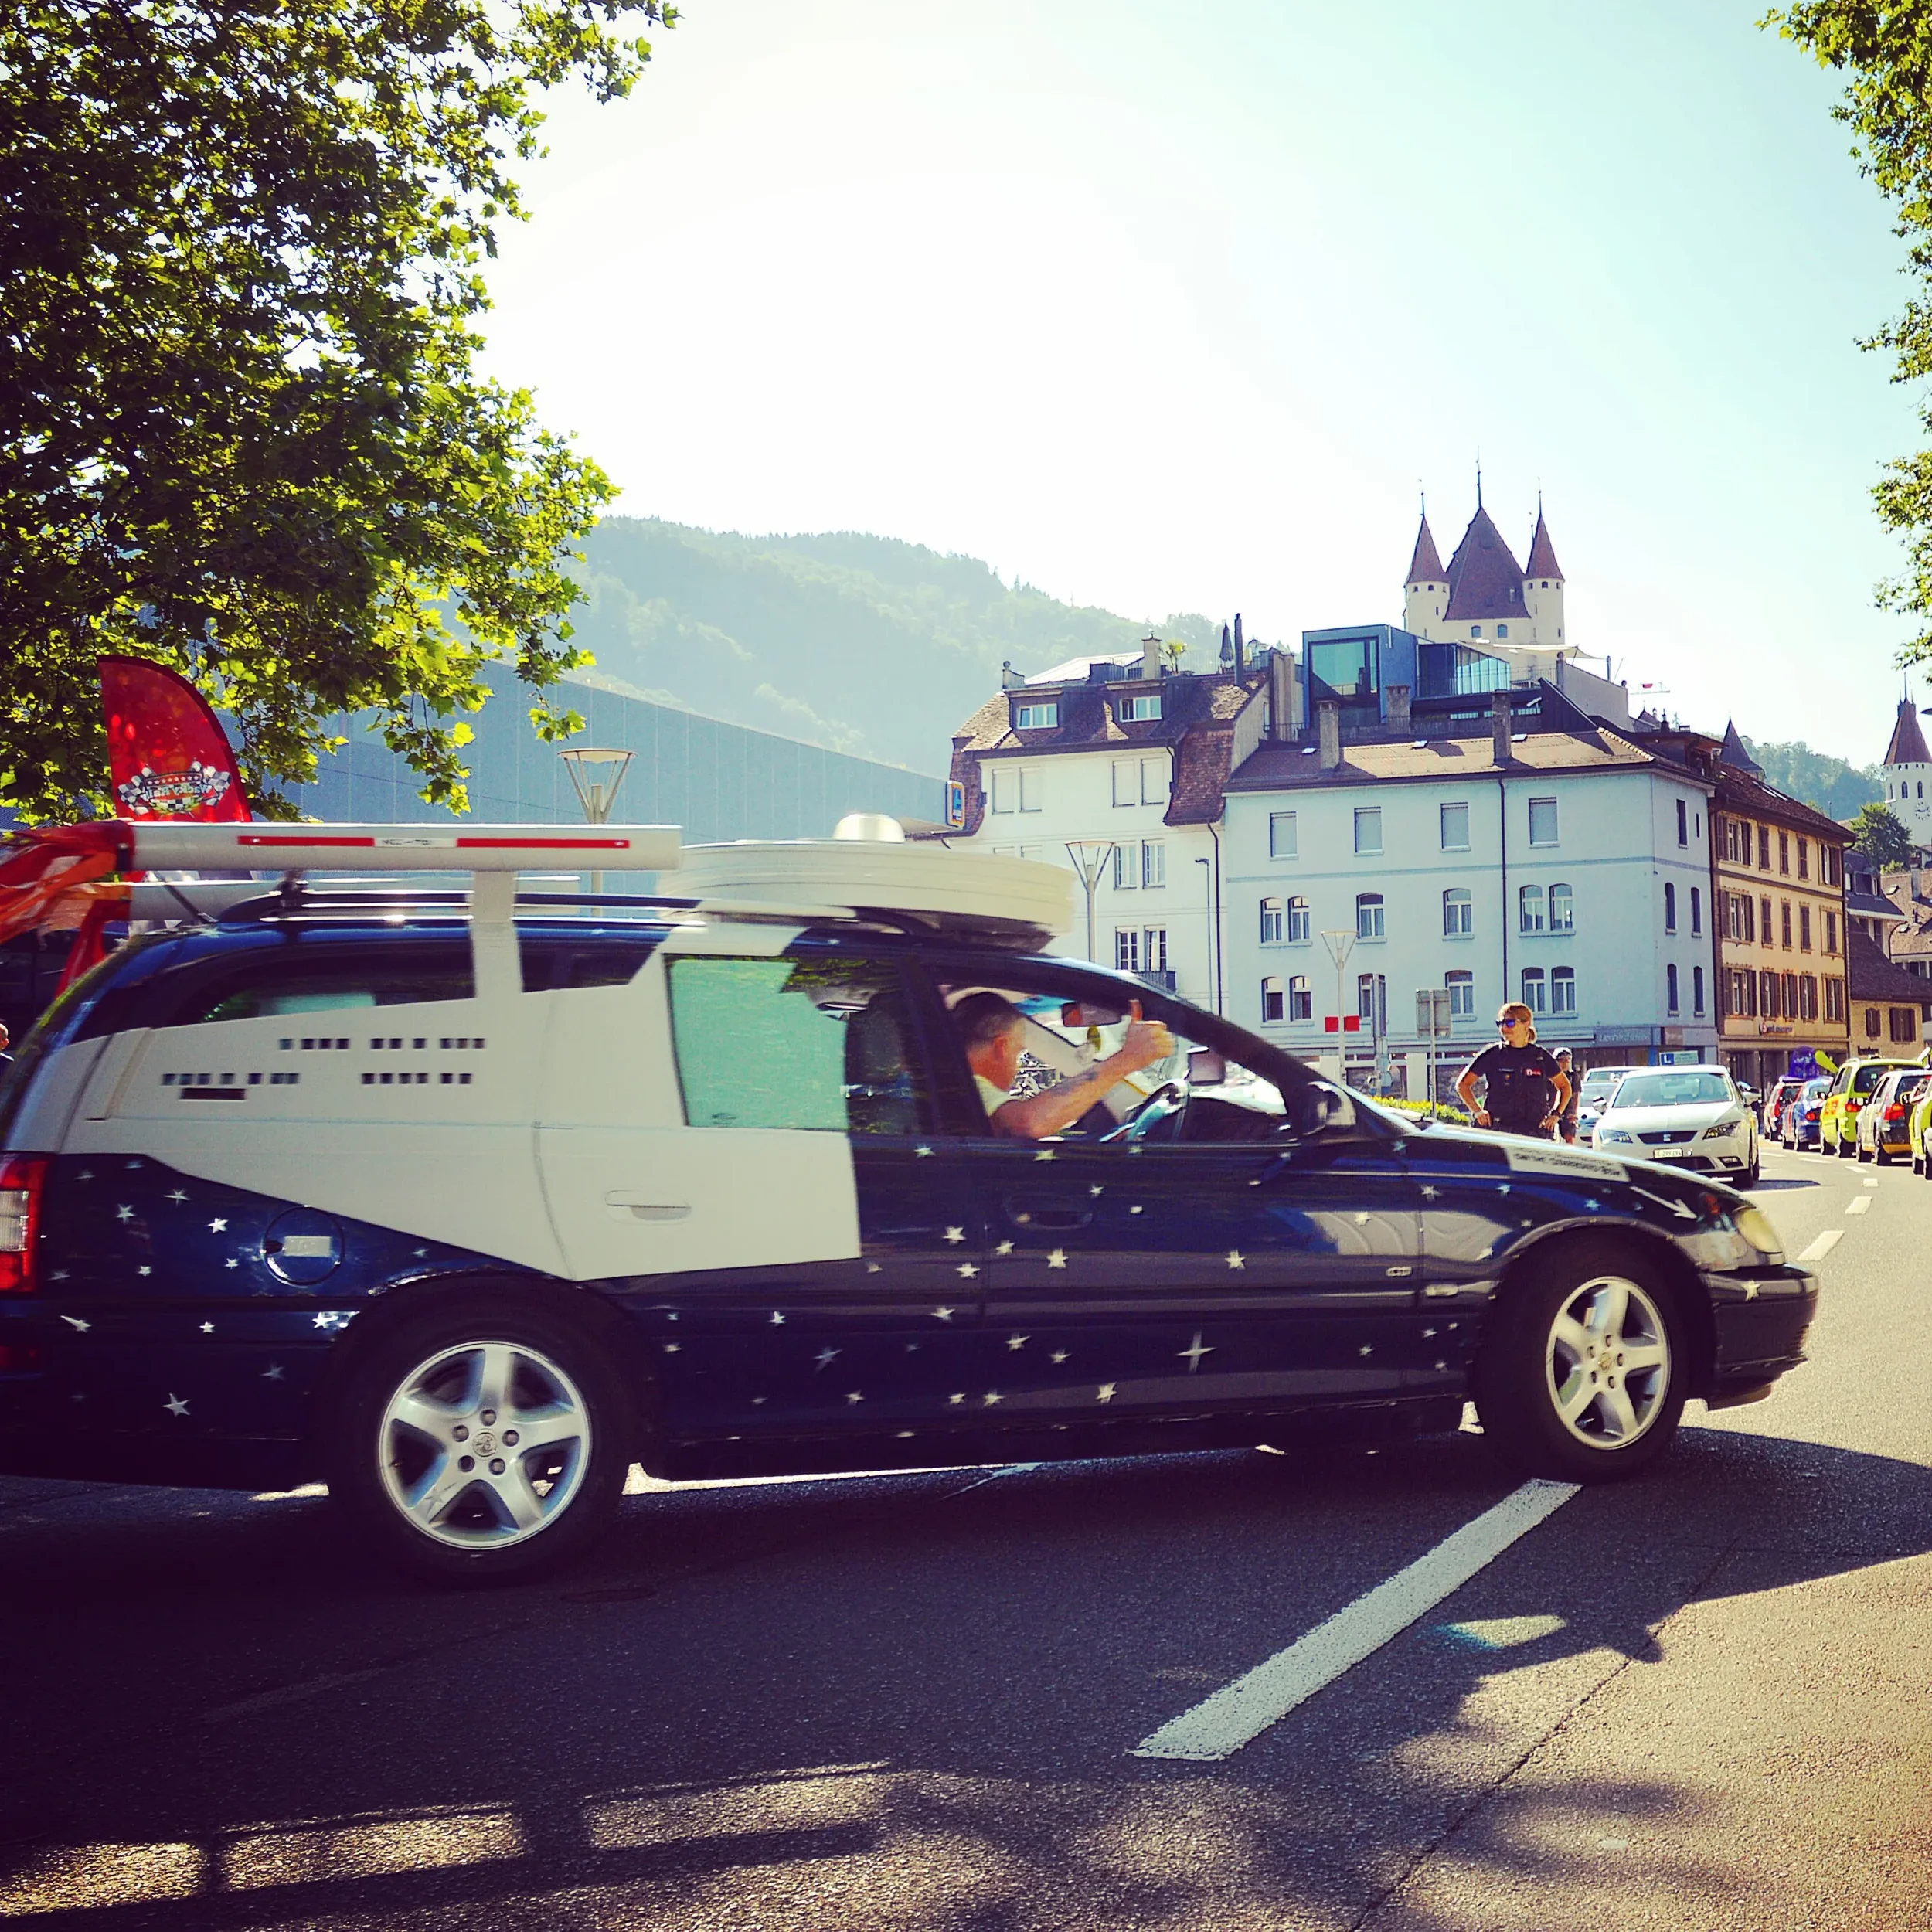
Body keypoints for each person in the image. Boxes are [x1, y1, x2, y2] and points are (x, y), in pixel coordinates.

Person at [954, 992, 1174, 1138]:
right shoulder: (967, 1086)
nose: (1018, 1066)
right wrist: (1129, 1058)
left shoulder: (957, 1085)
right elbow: (1027, 1125)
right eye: (1018, 1052)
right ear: (1001, 1047)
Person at [1455, 1003, 1570, 1139]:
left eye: (1509, 1022)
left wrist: (1556, 1114)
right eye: (1500, 1023)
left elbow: (1565, 1087)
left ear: (1526, 1024)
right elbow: (1462, 1084)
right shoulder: (1493, 1054)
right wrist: (1478, 1112)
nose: (1503, 1028)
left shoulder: (1540, 1056)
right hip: (1499, 1132)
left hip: (1534, 1133)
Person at [1553, 1048, 1580, 1144]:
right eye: (1562, 1060)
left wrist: (1574, 1113)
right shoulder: (1550, 1075)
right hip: (1552, 1110)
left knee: (1569, 1137)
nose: (1565, 1063)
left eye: (1568, 1060)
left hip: (1567, 1111)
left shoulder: (1573, 1076)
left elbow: (1576, 1096)